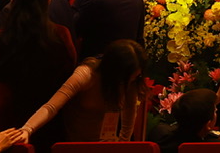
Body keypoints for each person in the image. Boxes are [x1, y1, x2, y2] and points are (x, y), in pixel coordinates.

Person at [0, 0, 77, 150]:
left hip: (4, 124)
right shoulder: (61, 35)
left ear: (12, 2)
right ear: (48, 2)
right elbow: (69, 79)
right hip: (49, 121)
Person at [19, 39, 147, 143]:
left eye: (136, 76)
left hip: (106, 145)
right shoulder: (87, 74)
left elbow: (129, 114)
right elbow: (51, 107)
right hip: (75, 145)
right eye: (127, 78)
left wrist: (123, 145)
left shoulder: (132, 80)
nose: (131, 81)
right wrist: (27, 129)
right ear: (115, 71)